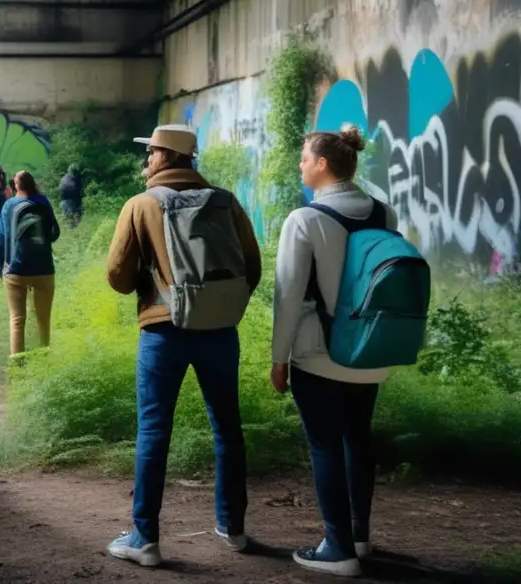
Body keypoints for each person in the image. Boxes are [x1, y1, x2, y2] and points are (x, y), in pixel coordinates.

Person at [105, 124, 261, 568]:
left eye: (151, 152)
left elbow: (117, 276)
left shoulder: (141, 205)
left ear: (167, 157)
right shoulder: (226, 202)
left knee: (154, 431)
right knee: (227, 430)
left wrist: (152, 282)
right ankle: (233, 529)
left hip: (163, 331)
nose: (147, 159)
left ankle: (145, 538)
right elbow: (252, 267)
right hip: (219, 332)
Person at [272, 126, 396, 577]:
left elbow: (287, 297)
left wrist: (278, 358)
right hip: (369, 352)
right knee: (358, 439)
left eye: (305, 158)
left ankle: (337, 549)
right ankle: (359, 538)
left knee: (324, 445)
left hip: (319, 354)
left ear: (322, 164)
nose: (301, 164)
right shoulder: (385, 213)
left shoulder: (304, 220)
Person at [0, 171, 60, 356]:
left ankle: (17, 366)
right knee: (43, 319)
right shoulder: (43, 202)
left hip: (16, 269)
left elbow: (4, 236)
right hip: (44, 268)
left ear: (16, 185)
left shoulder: (9, 204)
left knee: (17, 320)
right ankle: (44, 360)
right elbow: (54, 233)